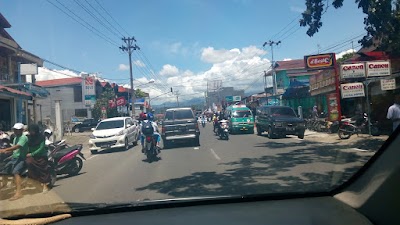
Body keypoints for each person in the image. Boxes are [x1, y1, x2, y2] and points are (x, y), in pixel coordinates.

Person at [0, 123, 28, 200]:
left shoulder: (23, 138)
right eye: (15, 130)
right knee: (4, 170)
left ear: (22, 130)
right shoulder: (16, 138)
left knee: (16, 172)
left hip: (22, 158)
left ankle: (19, 193)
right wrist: (7, 152)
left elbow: (17, 146)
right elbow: (14, 149)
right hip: (14, 158)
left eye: (17, 130)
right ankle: (4, 186)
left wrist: (6, 150)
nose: (15, 131)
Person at [25, 124, 50, 193]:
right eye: (30, 131)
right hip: (31, 157)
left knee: (43, 170)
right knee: (29, 164)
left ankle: (45, 185)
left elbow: (41, 148)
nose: (31, 132)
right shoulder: (28, 137)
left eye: (33, 131)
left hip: (41, 156)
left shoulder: (41, 137)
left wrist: (32, 154)